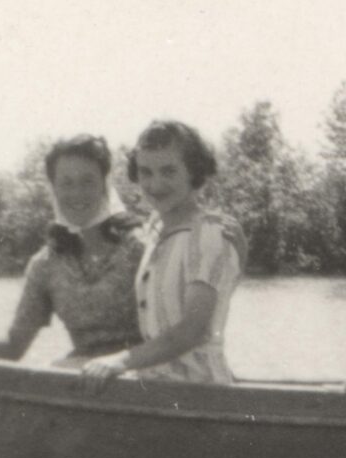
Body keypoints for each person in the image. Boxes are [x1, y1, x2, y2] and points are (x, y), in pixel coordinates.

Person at [0, 135, 143, 364]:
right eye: (66, 183)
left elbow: (174, 338)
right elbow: (13, 348)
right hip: (81, 379)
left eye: (88, 181)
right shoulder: (45, 265)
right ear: (54, 189)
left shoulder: (140, 249)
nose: (77, 193)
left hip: (143, 378)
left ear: (105, 185)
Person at [79, 120, 241, 385]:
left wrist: (119, 361)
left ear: (194, 172)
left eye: (168, 171)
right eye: (145, 172)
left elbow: (193, 331)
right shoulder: (155, 228)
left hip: (200, 393)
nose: (155, 184)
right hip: (156, 387)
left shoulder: (208, 232)